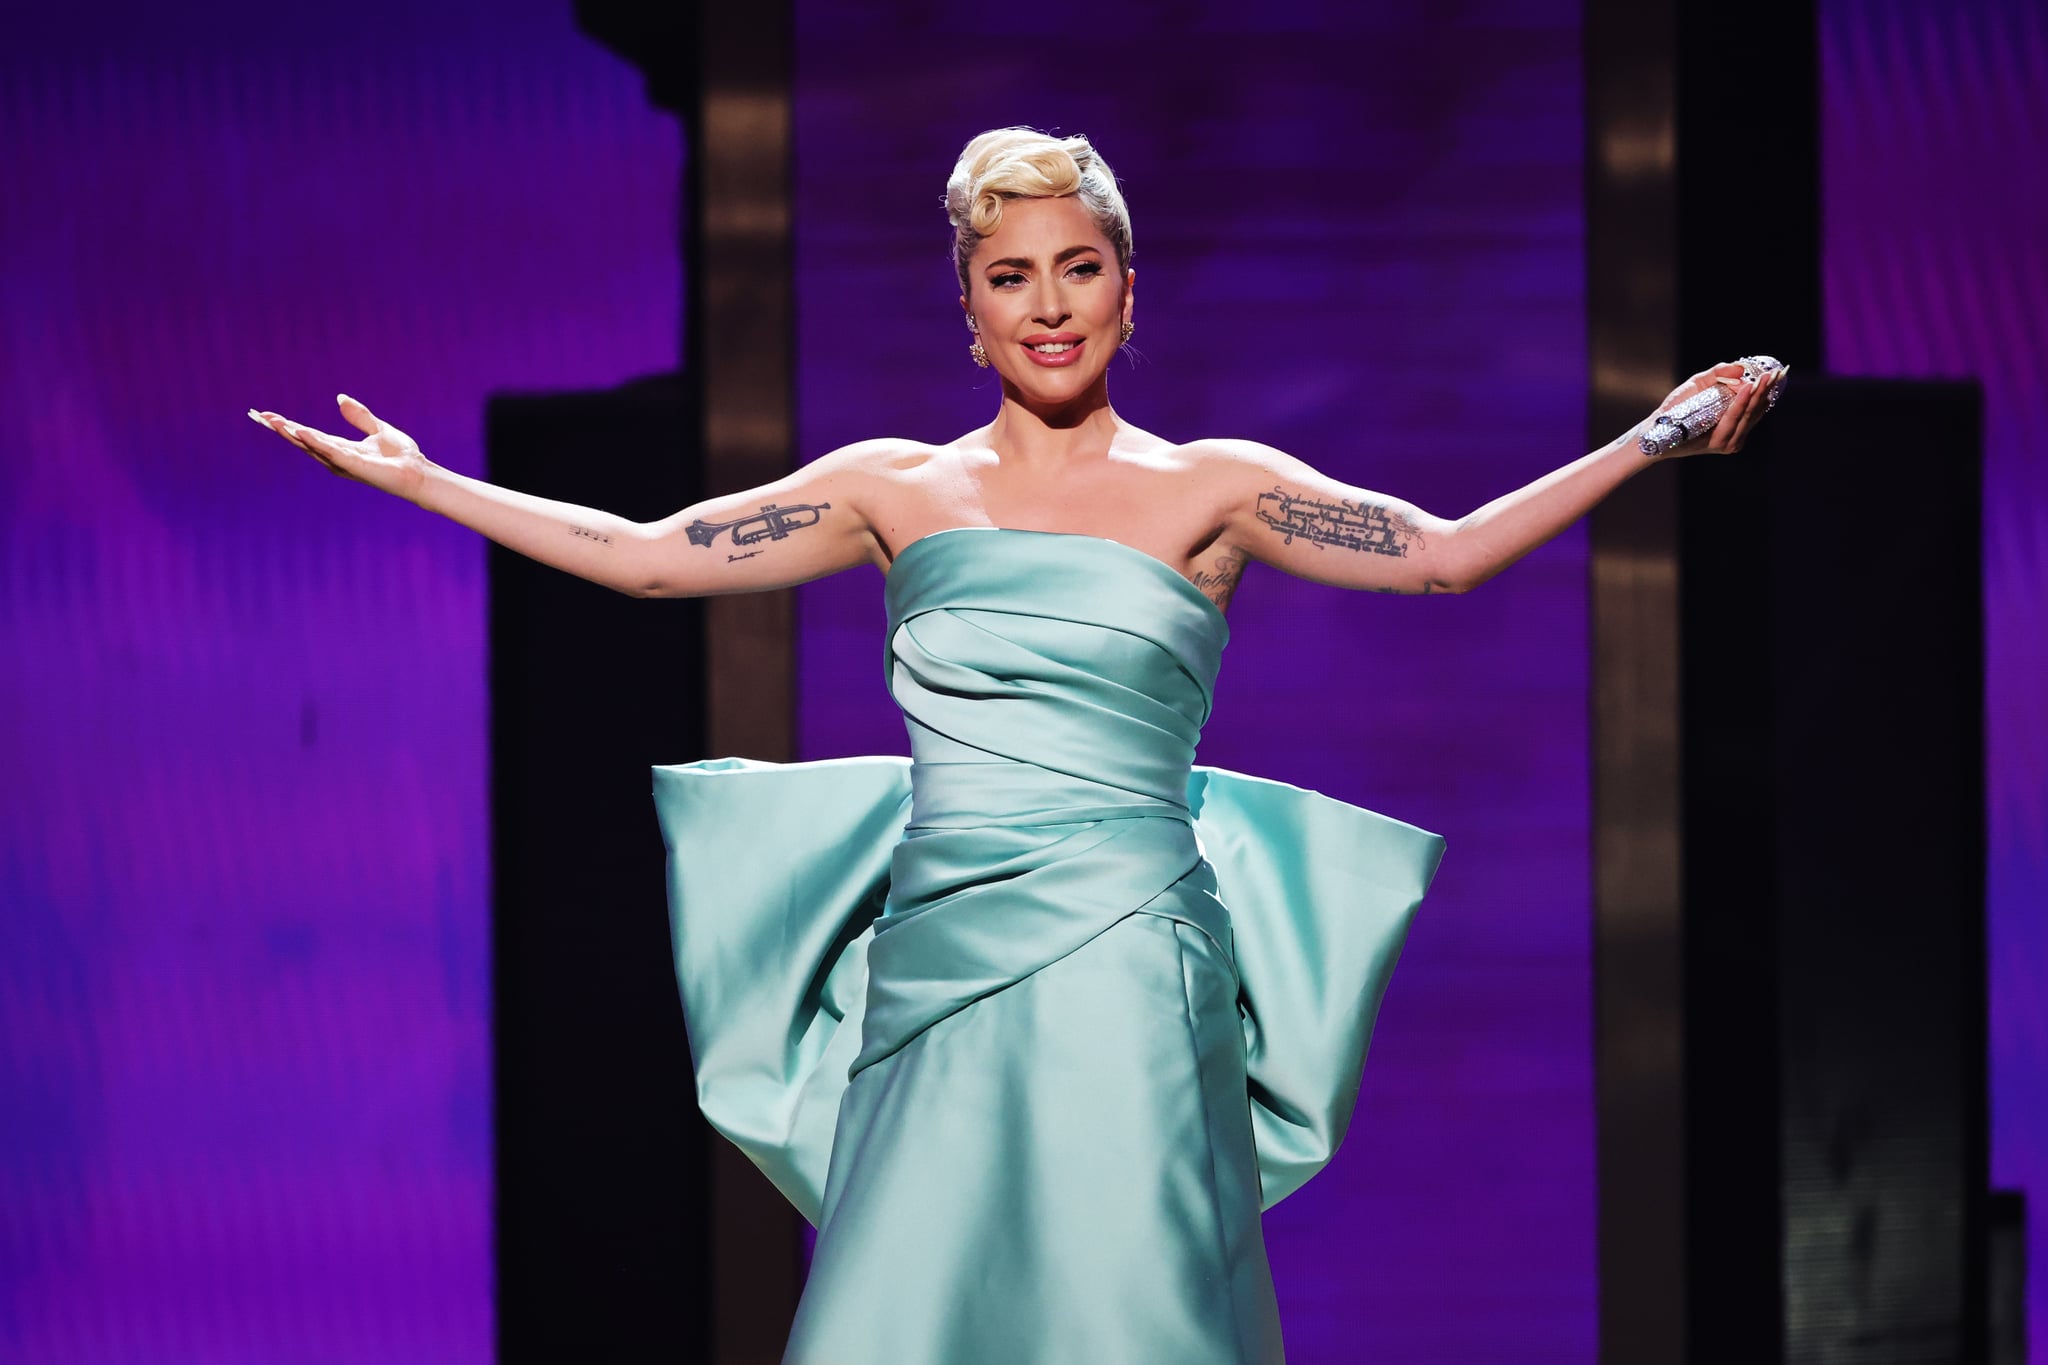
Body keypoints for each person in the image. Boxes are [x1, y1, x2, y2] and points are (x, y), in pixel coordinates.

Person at [253, 127, 1784, 1364]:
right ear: (968, 306)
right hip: (940, 958)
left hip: (1134, 958)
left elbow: (1446, 555)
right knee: (917, 1312)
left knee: (1130, 1308)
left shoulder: (1217, 489)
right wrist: (427, 483)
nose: (1047, 303)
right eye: (1009, 275)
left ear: (1131, 289)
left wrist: (1650, 439)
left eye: (1079, 267)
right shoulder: (892, 489)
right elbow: (653, 555)